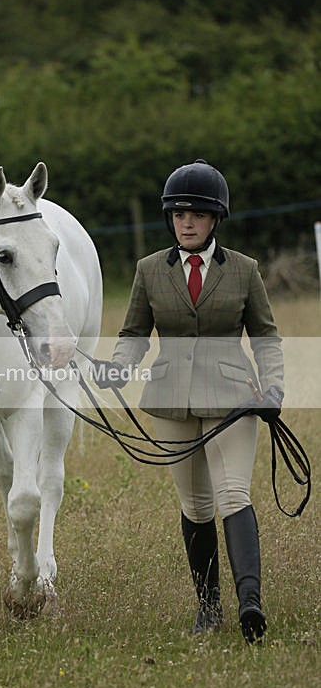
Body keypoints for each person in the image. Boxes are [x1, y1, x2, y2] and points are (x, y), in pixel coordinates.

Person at [93, 159, 284, 643]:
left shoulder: (244, 271)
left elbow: (266, 337)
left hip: (233, 399)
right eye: (178, 214)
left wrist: (274, 386)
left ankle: (250, 603)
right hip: (171, 399)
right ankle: (208, 606)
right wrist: (119, 366)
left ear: (215, 217)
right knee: (196, 506)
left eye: (196, 214)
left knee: (234, 494)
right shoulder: (149, 270)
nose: (187, 222)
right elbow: (133, 333)